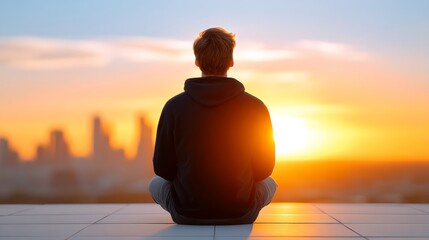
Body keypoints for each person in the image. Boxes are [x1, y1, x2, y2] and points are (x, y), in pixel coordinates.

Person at [149, 27, 277, 225]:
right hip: (241, 212)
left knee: (154, 184)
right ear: (231, 62)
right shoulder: (256, 106)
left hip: (187, 212)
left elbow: (162, 170)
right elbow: (264, 170)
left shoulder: (174, 106)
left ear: (197, 62)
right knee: (271, 183)